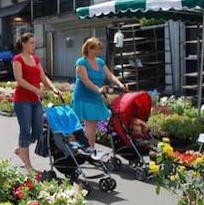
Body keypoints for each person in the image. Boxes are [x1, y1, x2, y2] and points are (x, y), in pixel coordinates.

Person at [12, 33, 61, 171]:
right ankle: (28, 165)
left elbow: (43, 77)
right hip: (22, 101)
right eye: (32, 43)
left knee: (39, 131)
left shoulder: (35, 59)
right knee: (25, 131)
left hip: (35, 100)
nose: (35, 45)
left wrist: (53, 88)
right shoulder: (18, 59)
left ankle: (21, 148)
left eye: (34, 42)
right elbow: (19, 80)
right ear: (24, 44)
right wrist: (36, 90)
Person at [73, 37, 127, 157]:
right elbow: (86, 81)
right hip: (83, 96)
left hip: (95, 96)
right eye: (95, 49)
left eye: (99, 49)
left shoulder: (100, 62)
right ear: (88, 48)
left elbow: (110, 75)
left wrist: (120, 84)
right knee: (90, 124)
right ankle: (88, 150)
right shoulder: (81, 63)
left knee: (92, 124)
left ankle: (89, 149)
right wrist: (98, 89)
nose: (97, 52)